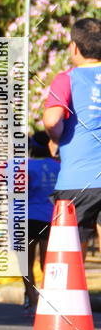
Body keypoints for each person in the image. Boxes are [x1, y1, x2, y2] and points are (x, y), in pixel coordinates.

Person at [43, 17, 101, 259]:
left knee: (70, 258)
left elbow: (51, 120)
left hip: (76, 181)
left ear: (74, 48)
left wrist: (55, 139)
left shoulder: (67, 78)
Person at [23, 131, 60, 315]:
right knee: (47, 263)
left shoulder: (26, 166)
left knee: (26, 263)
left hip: (28, 218)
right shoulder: (58, 166)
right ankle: (48, 301)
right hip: (50, 218)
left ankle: (32, 301)